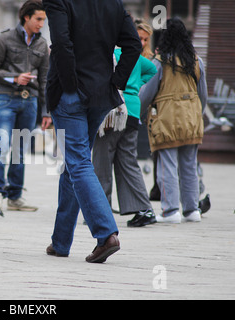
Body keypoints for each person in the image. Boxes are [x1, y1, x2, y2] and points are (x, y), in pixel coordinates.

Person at [43, 0, 141, 262]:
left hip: (71, 93)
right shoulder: (113, 3)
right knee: (74, 162)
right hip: (100, 92)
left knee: (78, 162)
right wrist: (116, 82)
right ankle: (61, 241)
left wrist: (70, 85)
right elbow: (134, 45)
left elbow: (62, 44)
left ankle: (106, 234)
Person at [139, 18, 208, 224]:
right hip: (192, 119)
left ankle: (170, 211)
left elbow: (146, 94)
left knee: (166, 165)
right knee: (189, 165)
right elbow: (202, 95)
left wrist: (141, 113)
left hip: (167, 120)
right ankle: (192, 209)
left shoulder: (160, 62)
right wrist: (196, 113)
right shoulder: (196, 61)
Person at [0, 0, 50, 212]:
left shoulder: (42, 45)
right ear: (26, 17)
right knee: (2, 145)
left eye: (43, 19)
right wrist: (14, 77)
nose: (41, 23)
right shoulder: (5, 38)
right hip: (6, 98)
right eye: (38, 19)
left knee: (20, 150)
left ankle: (15, 196)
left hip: (30, 102)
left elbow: (44, 81)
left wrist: (46, 110)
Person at [92, 20, 158, 228]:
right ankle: (144, 209)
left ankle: (100, 211)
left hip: (113, 110)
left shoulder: (112, 53)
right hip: (133, 111)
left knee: (102, 160)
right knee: (128, 161)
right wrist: (135, 85)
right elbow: (151, 70)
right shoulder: (137, 58)